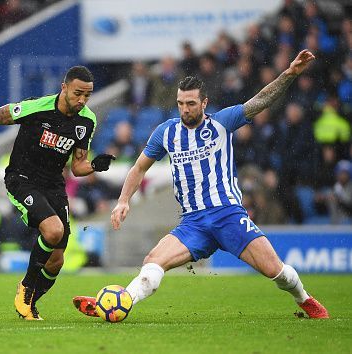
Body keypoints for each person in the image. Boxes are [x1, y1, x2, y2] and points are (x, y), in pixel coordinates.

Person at [73, 50, 329, 319]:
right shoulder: (166, 132)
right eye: (181, 103)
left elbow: (261, 100)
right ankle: (120, 303)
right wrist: (123, 200)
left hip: (227, 215)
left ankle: (305, 299)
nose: (185, 108)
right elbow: (139, 167)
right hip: (193, 223)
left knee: (278, 273)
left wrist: (289, 74)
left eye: (191, 103)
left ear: (204, 103)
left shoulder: (222, 122)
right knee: (152, 261)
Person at [0, 66, 115, 320]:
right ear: (64, 87)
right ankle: (27, 287)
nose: (82, 100)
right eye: (77, 93)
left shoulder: (87, 121)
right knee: (53, 230)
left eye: (87, 95)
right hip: (22, 179)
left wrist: (94, 166)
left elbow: (77, 166)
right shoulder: (37, 108)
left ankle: (29, 304)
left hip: (54, 185)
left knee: (57, 261)